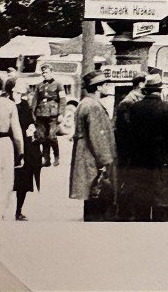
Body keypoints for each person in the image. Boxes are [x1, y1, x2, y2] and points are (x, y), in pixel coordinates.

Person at [114, 74, 168, 222]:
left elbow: (128, 135)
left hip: (140, 163)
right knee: (161, 209)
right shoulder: (167, 109)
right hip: (162, 164)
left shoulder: (134, 108)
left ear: (146, 90)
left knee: (141, 207)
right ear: (160, 90)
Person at [68, 71, 117, 222]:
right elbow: (98, 136)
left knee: (90, 199)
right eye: (104, 85)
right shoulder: (93, 106)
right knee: (97, 196)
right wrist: (106, 162)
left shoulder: (85, 103)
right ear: (98, 88)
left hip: (85, 154)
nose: (107, 87)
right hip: (92, 158)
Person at [6, 78, 42, 220]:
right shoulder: (7, 103)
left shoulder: (25, 104)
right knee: (9, 177)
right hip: (11, 142)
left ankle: (18, 210)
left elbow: (29, 122)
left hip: (25, 144)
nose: (23, 86)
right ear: (13, 88)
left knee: (24, 178)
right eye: (20, 84)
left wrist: (32, 128)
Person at [114, 72, 147, 221]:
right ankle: (125, 212)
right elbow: (127, 128)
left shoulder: (136, 99)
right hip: (128, 149)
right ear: (140, 84)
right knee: (128, 179)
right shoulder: (128, 102)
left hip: (133, 148)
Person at [0, 79, 24, 220]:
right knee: (6, 180)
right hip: (3, 142)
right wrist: (20, 153)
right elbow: (17, 134)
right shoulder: (10, 105)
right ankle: (1, 211)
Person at [31, 64, 63, 167]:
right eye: (43, 73)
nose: (44, 74)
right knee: (42, 137)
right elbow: (35, 100)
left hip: (53, 114)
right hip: (41, 114)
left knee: (52, 136)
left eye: (46, 72)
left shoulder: (58, 85)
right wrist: (33, 114)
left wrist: (61, 113)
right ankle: (46, 158)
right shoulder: (39, 85)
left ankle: (56, 156)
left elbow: (62, 100)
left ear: (51, 72)